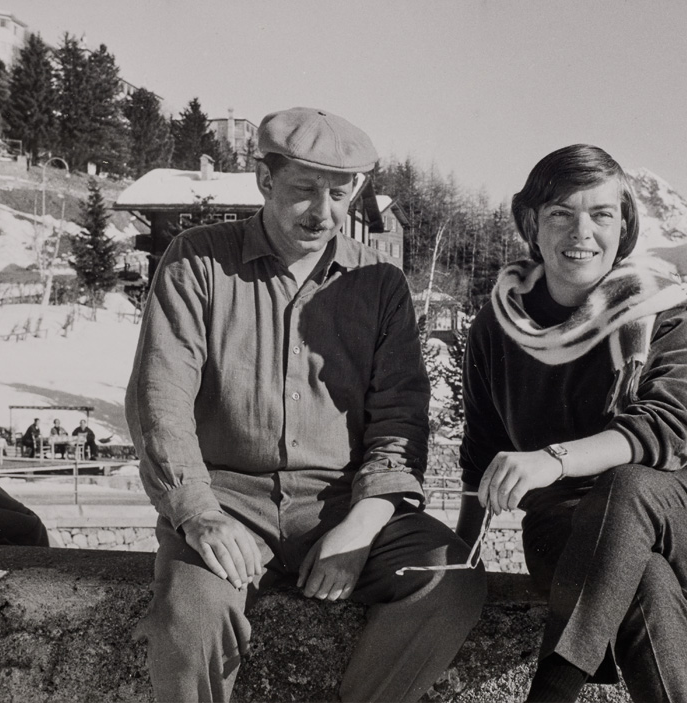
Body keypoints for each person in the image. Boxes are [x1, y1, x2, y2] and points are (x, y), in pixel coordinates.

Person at [125, 106, 486, 703]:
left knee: (449, 582)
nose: (324, 213)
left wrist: (364, 526)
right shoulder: (196, 261)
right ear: (264, 180)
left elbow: (399, 417)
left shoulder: (380, 283)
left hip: (342, 502)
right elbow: (159, 401)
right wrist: (198, 513)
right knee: (189, 624)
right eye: (304, 191)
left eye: (341, 195)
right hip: (227, 501)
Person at [456, 144, 687, 703]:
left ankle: (551, 691)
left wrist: (553, 459)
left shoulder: (660, 311)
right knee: (639, 578)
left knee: (628, 486)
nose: (581, 232)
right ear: (531, 225)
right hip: (565, 526)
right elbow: (482, 453)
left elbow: (671, 428)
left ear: (624, 225)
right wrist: (458, 563)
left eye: (602, 214)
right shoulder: (497, 326)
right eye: (561, 213)